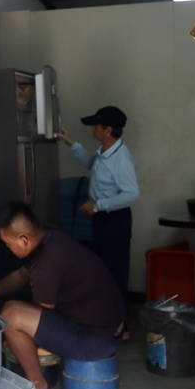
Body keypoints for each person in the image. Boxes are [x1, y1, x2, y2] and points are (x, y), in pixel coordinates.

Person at [0, 201, 126, 389]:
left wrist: (16, 340)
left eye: (7, 244)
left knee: (11, 315)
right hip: (108, 329)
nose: (7, 248)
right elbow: (21, 276)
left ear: (24, 240)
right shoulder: (52, 239)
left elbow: (41, 310)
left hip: (97, 341)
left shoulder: (46, 264)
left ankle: (37, 383)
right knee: (16, 312)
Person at [56, 105, 139, 319]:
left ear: (108, 130)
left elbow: (132, 194)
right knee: (103, 269)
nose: (93, 129)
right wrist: (72, 144)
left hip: (115, 220)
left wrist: (98, 205)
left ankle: (122, 325)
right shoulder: (105, 152)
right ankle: (107, 319)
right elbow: (93, 164)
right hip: (102, 219)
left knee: (115, 272)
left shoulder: (122, 158)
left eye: (96, 125)